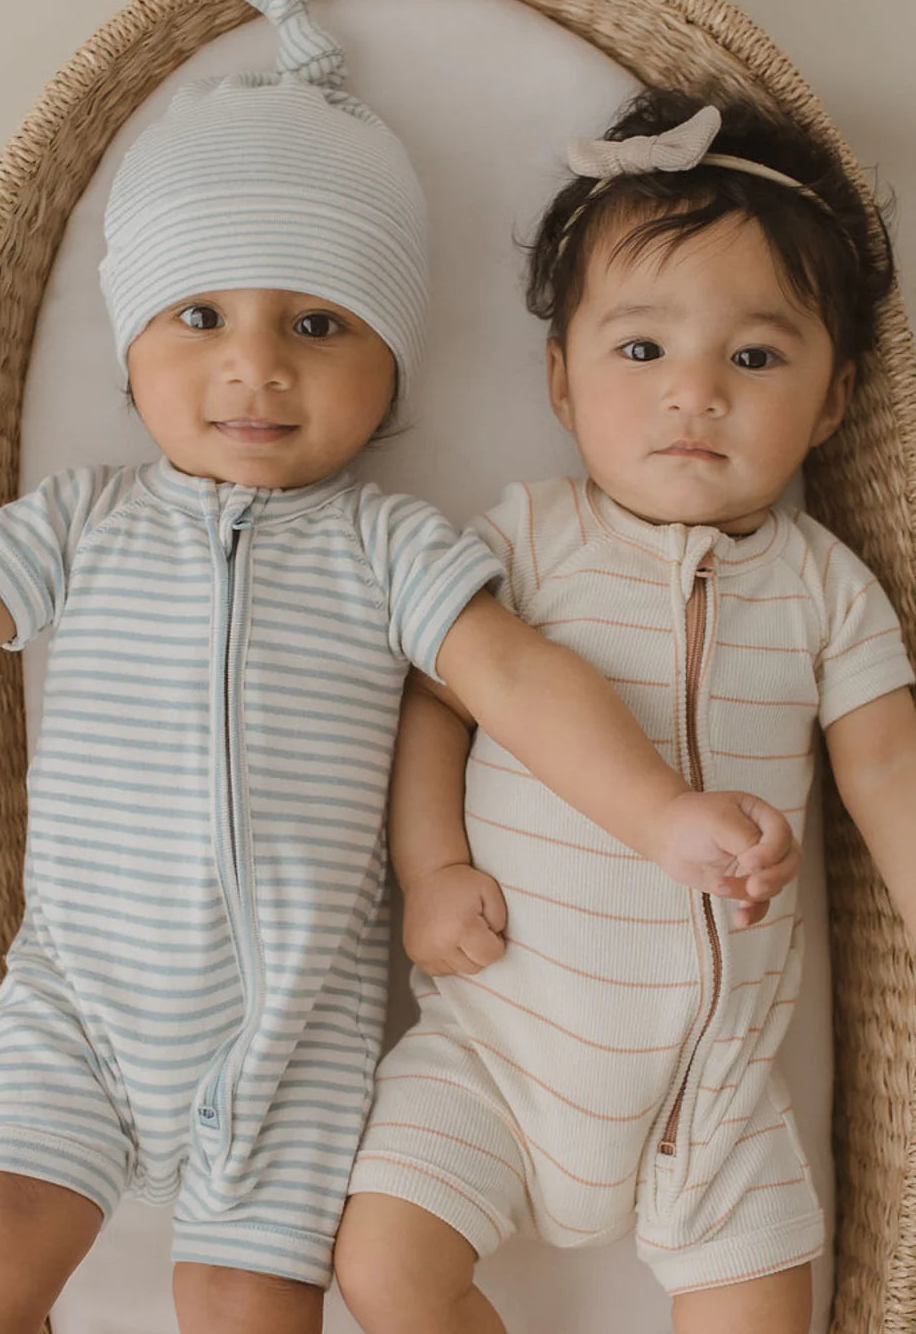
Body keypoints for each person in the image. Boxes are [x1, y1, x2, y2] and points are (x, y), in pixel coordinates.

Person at [0, 0, 794, 1334]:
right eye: (201, 317)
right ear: (131, 349)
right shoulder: (83, 522)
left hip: (295, 1034)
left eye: (320, 324)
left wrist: (662, 816)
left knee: (246, 1308)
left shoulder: (390, 546)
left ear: (394, 367)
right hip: (81, 1000)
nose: (257, 368)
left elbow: (517, 680)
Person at [335, 90, 916, 1334]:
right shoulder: (527, 538)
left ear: (832, 401)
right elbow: (435, 705)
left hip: (712, 1092)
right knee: (383, 1268)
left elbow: (888, 771)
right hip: (498, 1038)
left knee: (769, 1310)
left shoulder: (827, 585)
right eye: (642, 350)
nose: (693, 393)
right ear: (560, 380)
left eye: (754, 358)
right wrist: (431, 867)